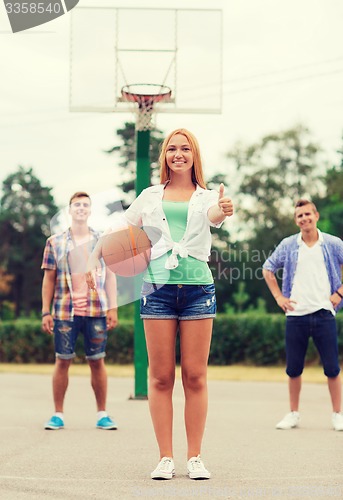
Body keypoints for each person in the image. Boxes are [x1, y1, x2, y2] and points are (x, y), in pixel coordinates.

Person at [87, 128, 233, 479]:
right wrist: (94, 257)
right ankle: (165, 458)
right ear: (164, 156)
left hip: (198, 289)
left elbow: (215, 215)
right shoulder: (150, 196)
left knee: (195, 376)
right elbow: (119, 227)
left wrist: (222, 208)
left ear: (194, 155)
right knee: (161, 377)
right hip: (158, 290)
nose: (178, 154)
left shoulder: (208, 196)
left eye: (185, 149)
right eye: (172, 149)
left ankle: (194, 457)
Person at [262, 199, 343, 431]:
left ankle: (338, 414)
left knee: (332, 368)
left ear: (316, 215)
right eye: (300, 216)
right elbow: (267, 268)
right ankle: (293, 414)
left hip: (324, 313)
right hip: (296, 315)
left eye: (308, 214)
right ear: (296, 220)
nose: (304, 218)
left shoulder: (332, 244)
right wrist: (279, 297)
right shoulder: (289, 245)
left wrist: (339, 293)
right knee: (294, 368)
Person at [41, 191, 118, 431]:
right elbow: (48, 279)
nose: (81, 208)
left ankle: (102, 414)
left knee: (97, 361)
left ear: (90, 210)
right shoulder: (55, 242)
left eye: (85, 204)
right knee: (62, 360)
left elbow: (111, 276)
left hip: (96, 310)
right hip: (65, 311)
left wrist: (113, 307)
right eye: (77, 204)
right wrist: (46, 311)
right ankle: (58, 414)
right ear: (70, 210)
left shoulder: (102, 241)